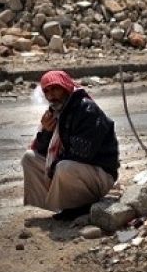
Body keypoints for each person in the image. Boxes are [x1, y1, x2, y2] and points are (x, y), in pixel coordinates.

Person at [21, 70, 119, 220]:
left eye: (55, 88)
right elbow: (42, 151)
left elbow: (82, 153)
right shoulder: (57, 113)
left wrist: (53, 167)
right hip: (75, 169)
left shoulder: (87, 110)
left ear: (66, 87)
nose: (50, 95)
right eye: (46, 91)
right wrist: (47, 132)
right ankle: (62, 204)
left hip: (99, 174)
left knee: (64, 166)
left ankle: (79, 207)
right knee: (29, 158)